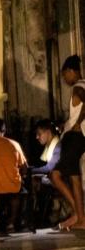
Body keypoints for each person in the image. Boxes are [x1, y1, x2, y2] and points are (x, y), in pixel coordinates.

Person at [51, 55, 85, 230]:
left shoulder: (78, 88)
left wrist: (78, 123)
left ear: (71, 71)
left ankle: (81, 217)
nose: (64, 79)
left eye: (65, 75)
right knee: (66, 177)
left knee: (61, 176)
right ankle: (78, 215)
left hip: (75, 138)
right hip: (76, 137)